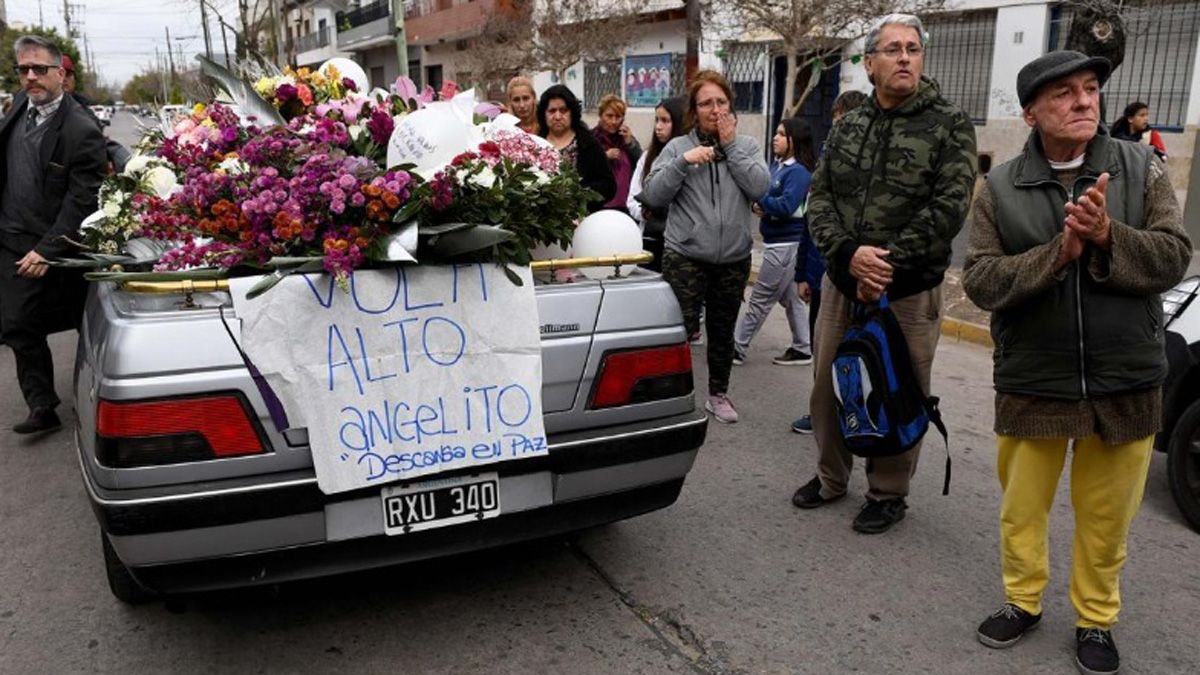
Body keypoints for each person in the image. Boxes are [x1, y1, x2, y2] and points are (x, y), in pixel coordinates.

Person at [962, 51, 1191, 675]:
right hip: (1033, 377)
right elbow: (980, 280)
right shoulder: (1000, 187)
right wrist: (1058, 254)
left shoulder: (1141, 166)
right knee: (1022, 509)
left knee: (1107, 517)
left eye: (1091, 88)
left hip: (1127, 377)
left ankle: (1096, 618)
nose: (1085, 101)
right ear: (1031, 113)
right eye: (1064, 93)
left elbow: (1174, 256)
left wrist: (1108, 236)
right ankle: (1022, 601)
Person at [789, 14, 977, 534]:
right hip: (843, 283)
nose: (904, 57)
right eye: (893, 49)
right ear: (870, 63)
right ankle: (830, 477)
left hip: (908, 292)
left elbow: (949, 207)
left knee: (899, 389)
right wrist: (849, 254)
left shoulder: (949, 124)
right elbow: (820, 198)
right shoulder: (849, 125)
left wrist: (884, 262)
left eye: (913, 48)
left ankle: (888, 493)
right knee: (829, 385)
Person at [641, 69, 770, 424]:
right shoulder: (678, 148)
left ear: (731, 106)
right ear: (694, 111)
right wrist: (684, 162)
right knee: (678, 328)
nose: (715, 110)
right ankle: (671, 393)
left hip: (733, 257)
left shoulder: (746, 147)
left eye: (721, 102)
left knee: (722, 330)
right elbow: (653, 194)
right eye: (706, 103)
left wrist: (730, 147)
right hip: (686, 255)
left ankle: (718, 394)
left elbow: (760, 188)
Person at [0, 35, 107, 434]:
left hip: (60, 243)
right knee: (17, 324)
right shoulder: (18, 105)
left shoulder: (81, 129)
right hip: (12, 237)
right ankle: (42, 405)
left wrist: (48, 250)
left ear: (60, 74)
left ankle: (100, 389)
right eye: (23, 69)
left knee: (85, 318)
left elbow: (82, 201)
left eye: (40, 69)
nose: (30, 76)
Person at [792, 89, 866, 434]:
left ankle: (852, 414)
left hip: (852, 280)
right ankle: (821, 412)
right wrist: (802, 274)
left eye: (845, 122)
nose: (839, 129)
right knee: (821, 352)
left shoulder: (870, 169)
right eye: (836, 123)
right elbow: (811, 224)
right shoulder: (826, 164)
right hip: (821, 277)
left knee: (853, 354)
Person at [732, 118, 816, 367]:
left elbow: (786, 205)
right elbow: (767, 199)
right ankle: (803, 348)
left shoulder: (798, 172)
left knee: (760, 297)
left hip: (785, 245)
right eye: (776, 133)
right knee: (792, 298)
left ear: (794, 140)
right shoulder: (777, 167)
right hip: (777, 243)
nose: (774, 138)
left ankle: (737, 347)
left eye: (781, 134)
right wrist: (761, 205)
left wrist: (763, 203)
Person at [627, 96, 685, 272]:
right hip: (651, 240)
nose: (658, 126)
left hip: (681, 244)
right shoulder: (648, 157)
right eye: (657, 120)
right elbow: (632, 199)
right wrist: (645, 213)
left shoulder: (690, 157)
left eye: (665, 121)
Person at [537, 85, 615, 213]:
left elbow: (608, 185)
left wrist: (577, 193)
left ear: (572, 112)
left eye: (563, 110)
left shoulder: (589, 144)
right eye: (552, 111)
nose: (557, 116)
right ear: (543, 114)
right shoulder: (536, 145)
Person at [592, 95, 642, 214]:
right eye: (609, 116)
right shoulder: (592, 138)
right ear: (600, 115)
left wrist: (630, 143)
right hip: (599, 206)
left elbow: (641, 164)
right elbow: (584, 167)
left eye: (618, 117)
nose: (614, 121)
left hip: (625, 206)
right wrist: (604, 157)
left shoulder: (626, 138)